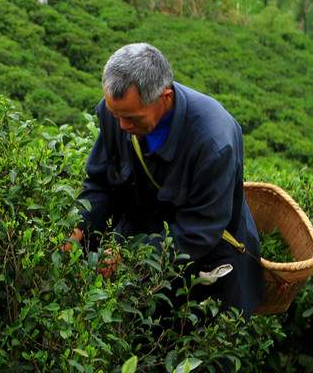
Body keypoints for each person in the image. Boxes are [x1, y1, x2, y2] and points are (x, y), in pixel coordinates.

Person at [70, 43, 263, 316]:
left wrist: (133, 257)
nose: (122, 127)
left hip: (205, 271)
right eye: (116, 115)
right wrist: (78, 226)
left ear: (165, 97)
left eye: (132, 118)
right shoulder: (117, 113)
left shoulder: (212, 142)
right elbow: (101, 184)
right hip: (142, 260)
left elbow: (200, 230)